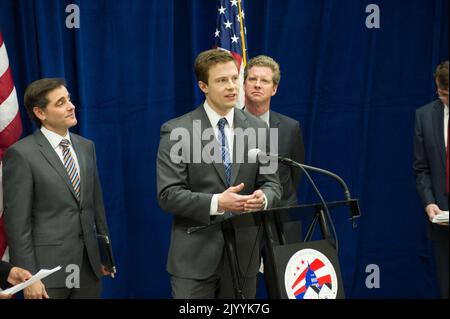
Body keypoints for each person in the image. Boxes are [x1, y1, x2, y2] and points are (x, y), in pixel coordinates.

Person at [157, 49, 281, 299]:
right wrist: (217, 202)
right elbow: (168, 195)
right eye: (221, 80)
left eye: (235, 78)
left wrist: (263, 198)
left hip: (244, 257)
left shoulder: (260, 128)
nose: (231, 86)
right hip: (194, 259)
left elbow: (273, 185)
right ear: (203, 85)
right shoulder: (176, 130)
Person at [3, 78, 112, 299]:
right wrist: (30, 277)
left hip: (88, 268)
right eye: (61, 102)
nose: (71, 106)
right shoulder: (21, 154)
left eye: (69, 99)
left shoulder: (86, 147)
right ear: (40, 113)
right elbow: (17, 224)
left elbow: (95, 205)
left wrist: (104, 254)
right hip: (47, 273)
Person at [414, 61, 449, 299]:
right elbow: (421, 168)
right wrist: (429, 202)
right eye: (442, 93)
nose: (445, 98)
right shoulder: (424, 116)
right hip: (442, 219)